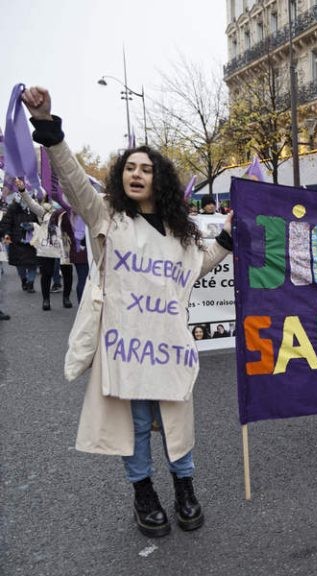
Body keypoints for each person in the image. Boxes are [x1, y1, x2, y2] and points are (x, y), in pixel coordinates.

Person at [22, 86, 234, 538]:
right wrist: (47, 126)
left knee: (178, 420)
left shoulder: (181, 234)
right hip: (125, 347)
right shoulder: (106, 220)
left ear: (160, 179)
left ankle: (185, 488)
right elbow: (76, 181)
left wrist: (229, 238)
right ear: (121, 176)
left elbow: (196, 267)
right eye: (130, 168)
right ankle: (144, 495)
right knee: (135, 425)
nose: (137, 174)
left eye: (147, 169)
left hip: (169, 346)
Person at [16, 179, 74, 311]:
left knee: (67, 272)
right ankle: (46, 300)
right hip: (46, 247)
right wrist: (23, 191)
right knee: (46, 273)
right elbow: (31, 203)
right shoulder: (45, 212)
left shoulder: (70, 212)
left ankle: (66, 298)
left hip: (64, 245)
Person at [0, 183, 39, 293]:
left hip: (32, 241)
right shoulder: (12, 208)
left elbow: (40, 222)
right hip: (17, 240)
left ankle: (30, 283)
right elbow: (6, 223)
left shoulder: (34, 207)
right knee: (20, 264)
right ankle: (24, 280)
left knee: (33, 263)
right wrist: (6, 234)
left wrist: (33, 226)